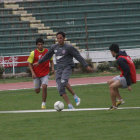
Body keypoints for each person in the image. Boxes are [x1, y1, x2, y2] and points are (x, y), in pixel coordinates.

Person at [34, 31, 93, 109]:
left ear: (64, 38)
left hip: (67, 67)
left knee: (63, 81)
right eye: (58, 38)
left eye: (61, 38)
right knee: (60, 88)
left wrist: (86, 65)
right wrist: (39, 62)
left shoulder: (69, 48)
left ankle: (75, 97)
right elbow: (47, 56)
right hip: (59, 69)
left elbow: (78, 56)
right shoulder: (54, 47)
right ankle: (70, 105)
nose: (59, 40)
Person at [27, 38, 54, 109]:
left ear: (43, 44)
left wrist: (52, 68)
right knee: (37, 91)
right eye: (39, 45)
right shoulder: (33, 53)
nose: (40, 46)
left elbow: (51, 61)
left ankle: (43, 104)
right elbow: (29, 63)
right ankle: (38, 89)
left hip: (45, 73)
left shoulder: (47, 52)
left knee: (44, 86)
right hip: (36, 74)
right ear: (36, 45)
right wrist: (32, 73)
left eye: (41, 44)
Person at [108, 43, 136, 110]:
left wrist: (129, 84)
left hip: (129, 77)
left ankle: (114, 106)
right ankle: (120, 100)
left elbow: (127, 71)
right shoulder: (122, 55)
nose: (110, 53)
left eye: (110, 52)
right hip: (125, 75)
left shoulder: (120, 59)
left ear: (113, 51)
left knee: (111, 87)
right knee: (110, 82)